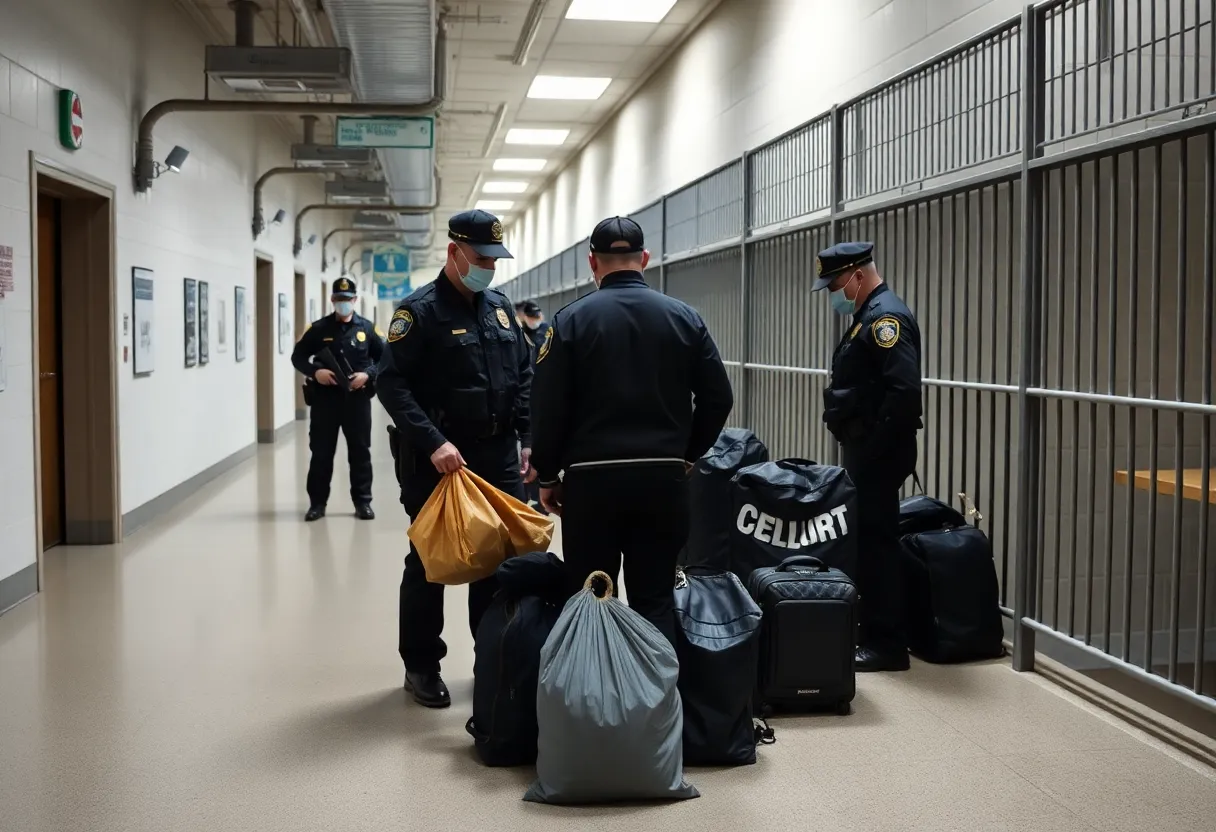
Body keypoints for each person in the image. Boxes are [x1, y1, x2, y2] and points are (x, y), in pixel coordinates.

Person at [529, 216, 734, 646]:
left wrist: (548, 475)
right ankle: (658, 704)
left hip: (591, 484)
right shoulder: (684, 318)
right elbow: (719, 398)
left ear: (592, 262)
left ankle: (596, 703)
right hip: (662, 481)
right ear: (644, 258)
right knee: (655, 598)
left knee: (593, 596)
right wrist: (689, 454)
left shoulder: (568, 322)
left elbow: (547, 408)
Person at [376, 209, 533, 708]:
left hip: (497, 455)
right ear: (454, 252)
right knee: (430, 560)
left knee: (496, 559)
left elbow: (524, 376)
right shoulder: (418, 312)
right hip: (439, 460)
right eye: (482, 257)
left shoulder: (501, 310)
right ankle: (421, 665)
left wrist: (529, 438)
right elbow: (391, 384)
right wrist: (432, 441)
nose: (489, 266)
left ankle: (490, 659)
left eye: (494, 258)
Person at [814, 241, 923, 672]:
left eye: (834, 283)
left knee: (878, 545)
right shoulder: (869, 314)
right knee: (870, 541)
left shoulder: (885, 318)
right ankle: (874, 630)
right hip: (869, 451)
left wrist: (875, 450)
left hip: (879, 453)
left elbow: (904, 393)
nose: (831, 293)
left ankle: (887, 644)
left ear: (857, 275)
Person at [291, 275, 384, 522]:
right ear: (332, 299)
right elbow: (298, 357)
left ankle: (363, 503)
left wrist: (368, 374)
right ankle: (317, 504)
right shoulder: (319, 329)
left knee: (360, 453)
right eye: (339, 299)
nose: (344, 303)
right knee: (321, 453)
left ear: (355, 299)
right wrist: (315, 372)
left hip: (357, 401)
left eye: (348, 299)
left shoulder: (367, 328)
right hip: (325, 401)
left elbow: (386, 358)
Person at [514, 299, 546, 512]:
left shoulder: (548, 334)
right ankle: (526, 493)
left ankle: (539, 492)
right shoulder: (518, 335)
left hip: (541, 395)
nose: (534, 321)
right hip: (526, 395)